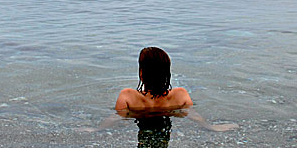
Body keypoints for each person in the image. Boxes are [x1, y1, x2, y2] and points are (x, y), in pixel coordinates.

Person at [83, 47, 238, 132]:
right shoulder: (180, 94)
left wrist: (96, 129)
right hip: (167, 122)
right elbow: (193, 114)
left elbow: (115, 117)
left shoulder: (128, 96)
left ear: (142, 73)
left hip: (140, 121)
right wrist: (210, 127)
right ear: (167, 73)